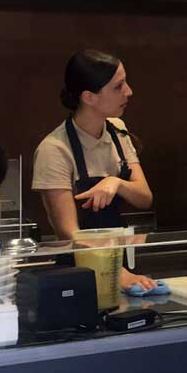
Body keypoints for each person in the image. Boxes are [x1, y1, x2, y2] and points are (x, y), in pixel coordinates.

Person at [32, 50, 156, 291]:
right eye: (118, 86)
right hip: (79, 274)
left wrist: (116, 183)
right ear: (89, 97)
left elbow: (144, 197)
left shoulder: (118, 130)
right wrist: (115, 272)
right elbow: (69, 233)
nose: (129, 91)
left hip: (119, 264)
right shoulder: (54, 150)